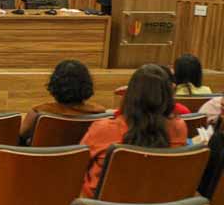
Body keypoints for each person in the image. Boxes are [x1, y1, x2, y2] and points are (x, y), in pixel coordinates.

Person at [79, 64, 187, 197]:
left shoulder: (103, 128)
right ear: (168, 96)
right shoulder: (179, 127)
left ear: (129, 94)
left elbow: (76, 166)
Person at [19, 59, 107, 140]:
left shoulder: (39, 112)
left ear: (54, 83)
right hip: (81, 157)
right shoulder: (99, 113)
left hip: (45, 156)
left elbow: (20, 136)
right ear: (87, 84)